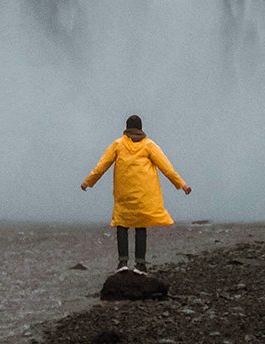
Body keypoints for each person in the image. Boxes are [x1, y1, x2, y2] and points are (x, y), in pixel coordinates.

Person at [81, 114, 191, 273]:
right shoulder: (149, 145)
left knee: (122, 225)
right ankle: (140, 264)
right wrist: (182, 185)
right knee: (140, 226)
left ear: (126, 128)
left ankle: (123, 263)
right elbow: (167, 168)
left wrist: (88, 182)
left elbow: (101, 166)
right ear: (141, 128)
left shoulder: (118, 145)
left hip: (123, 195)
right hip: (144, 196)